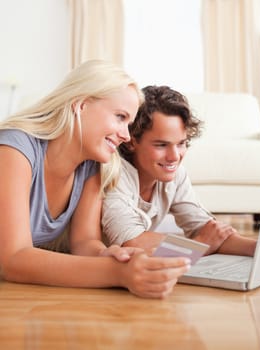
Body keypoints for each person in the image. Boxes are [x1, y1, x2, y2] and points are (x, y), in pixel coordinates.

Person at [0, 62, 191, 299]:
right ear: (81, 105)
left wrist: (111, 256)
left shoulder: (92, 165)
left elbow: (84, 242)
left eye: (129, 124)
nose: (126, 135)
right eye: (120, 117)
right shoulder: (14, 150)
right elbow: (13, 259)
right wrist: (116, 273)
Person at [101, 85, 260, 264]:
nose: (174, 156)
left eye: (181, 143)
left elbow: (207, 229)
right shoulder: (114, 173)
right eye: (161, 145)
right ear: (132, 140)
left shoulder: (175, 175)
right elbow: (134, 243)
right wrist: (199, 245)